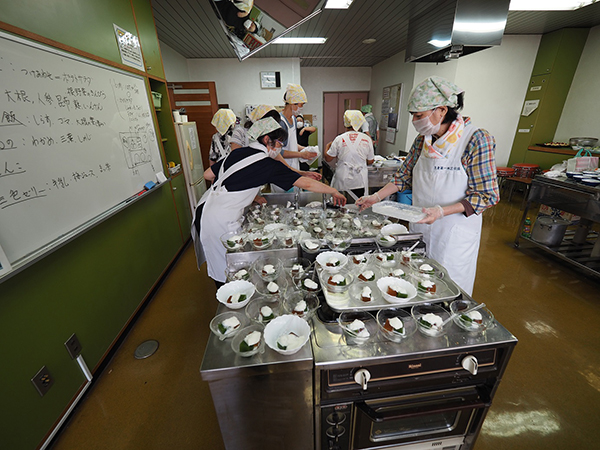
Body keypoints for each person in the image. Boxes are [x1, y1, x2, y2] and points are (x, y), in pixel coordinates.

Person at [356, 76, 499, 295]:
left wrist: (442, 211)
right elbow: (403, 177)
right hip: (420, 227)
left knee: (448, 290)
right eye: (413, 115)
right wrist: (376, 197)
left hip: (453, 235)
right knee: (416, 282)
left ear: (441, 110)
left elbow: (487, 195)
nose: (415, 121)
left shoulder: (476, 139)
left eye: (419, 115)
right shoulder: (423, 139)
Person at [192, 117, 346, 286]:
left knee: (222, 262)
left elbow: (209, 174)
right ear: (266, 140)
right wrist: (333, 190)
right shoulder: (266, 164)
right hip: (221, 220)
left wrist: (250, 194)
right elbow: (307, 184)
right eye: (279, 143)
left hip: (205, 209)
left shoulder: (237, 153)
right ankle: (230, 298)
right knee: (230, 269)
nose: (280, 147)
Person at [324, 110, 374, 199]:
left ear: (346, 123)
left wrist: (327, 146)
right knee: (359, 203)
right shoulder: (367, 139)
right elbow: (370, 161)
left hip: (343, 176)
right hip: (360, 179)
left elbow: (328, 158)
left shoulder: (339, 139)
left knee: (340, 203)